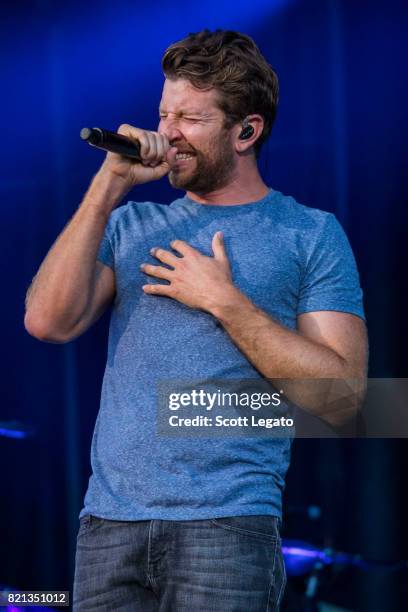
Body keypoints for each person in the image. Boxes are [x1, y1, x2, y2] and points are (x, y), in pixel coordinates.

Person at [24, 29, 368, 612]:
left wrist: (225, 302)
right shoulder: (130, 225)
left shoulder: (308, 233)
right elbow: (46, 322)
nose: (168, 133)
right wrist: (106, 187)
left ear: (246, 131)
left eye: (189, 117)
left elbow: (344, 398)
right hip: (108, 526)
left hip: (228, 528)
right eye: (164, 113)